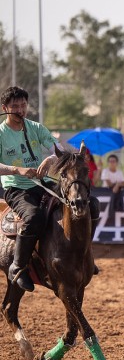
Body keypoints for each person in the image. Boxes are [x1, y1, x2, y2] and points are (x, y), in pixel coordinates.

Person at [0, 86, 76, 291]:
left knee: (78, 203)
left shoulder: (36, 127)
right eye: (15, 106)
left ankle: (81, 259)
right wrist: (17, 170)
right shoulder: (1, 134)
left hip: (42, 183)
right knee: (34, 217)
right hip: (17, 188)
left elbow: (58, 149)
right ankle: (17, 267)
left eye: (23, 105)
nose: (20, 109)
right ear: (4, 108)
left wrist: (50, 159)